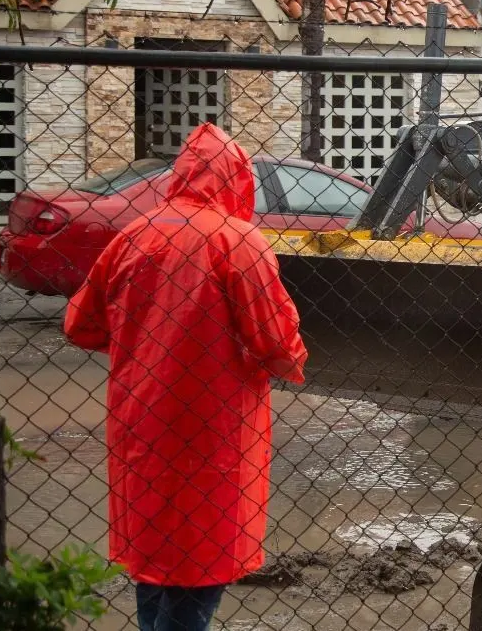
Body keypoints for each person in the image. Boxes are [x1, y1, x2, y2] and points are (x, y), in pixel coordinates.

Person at [64, 123, 307, 631]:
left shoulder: (134, 234)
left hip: (141, 420)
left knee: (154, 556)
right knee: (203, 560)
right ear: (237, 179)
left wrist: (146, 337)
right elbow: (277, 344)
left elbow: (80, 324)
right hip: (215, 429)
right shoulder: (239, 242)